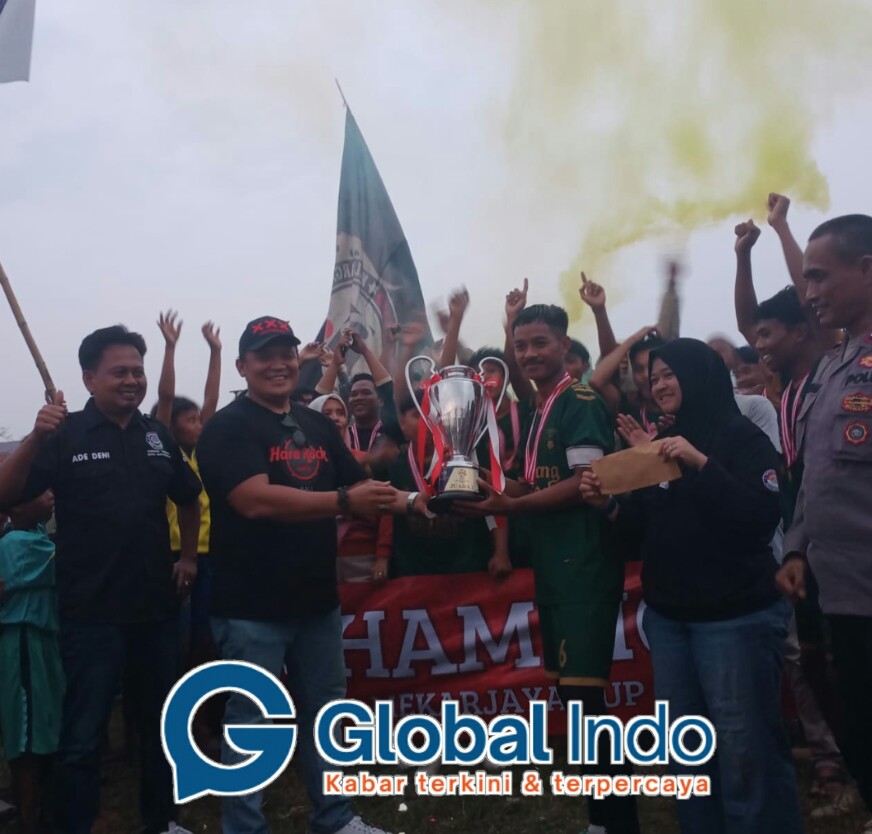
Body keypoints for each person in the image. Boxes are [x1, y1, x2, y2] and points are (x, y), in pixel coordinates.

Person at [196, 315, 427, 834]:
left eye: (285, 353)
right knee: (252, 721)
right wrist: (343, 501)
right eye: (264, 355)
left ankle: (336, 818)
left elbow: (361, 485)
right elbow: (254, 500)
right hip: (251, 606)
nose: (278, 364)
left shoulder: (316, 424)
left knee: (326, 716)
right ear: (243, 366)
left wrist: (422, 502)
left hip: (317, 602)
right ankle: (244, 827)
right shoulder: (227, 428)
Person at [581, 338, 802, 834]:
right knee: (689, 756)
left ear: (700, 374)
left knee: (746, 754)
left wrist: (700, 464)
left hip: (736, 619)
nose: (658, 385)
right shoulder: (662, 442)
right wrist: (608, 506)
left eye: (669, 374)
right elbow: (644, 525)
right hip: (671, 621)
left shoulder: (740, 437)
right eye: (654, 377)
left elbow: (758, 519)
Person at [0, 325, 202, 834]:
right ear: (90, 379)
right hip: (90, 614)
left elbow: (188, 496)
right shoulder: (63, 434)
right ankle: (77, 822)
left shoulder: (157, 435)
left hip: (155, 609)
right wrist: (34, 436)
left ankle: (163, 821)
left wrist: (188, 558)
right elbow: (6, 494)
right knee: (83, 733)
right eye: (119, 372)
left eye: (137, 370)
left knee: (160, 724)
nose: (132, 380)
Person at [468, 299, 640, 834]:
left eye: (540, 343)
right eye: (520, 346)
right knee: (574, 698)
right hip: (556, 565)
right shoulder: (542, 405)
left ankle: (617, 823)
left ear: (565, 345)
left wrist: (513, 506)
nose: (528, 354)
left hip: (583, 563)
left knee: (586, 701)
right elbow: (536, 482)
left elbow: (586, 483)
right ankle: (602, 820)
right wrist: (486, 488)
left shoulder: (579, 400)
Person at [776, 215, 872, 830]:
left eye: (819, 277)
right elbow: (818, 472)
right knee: (859, 727)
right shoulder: (836, 366)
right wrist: (796, 549)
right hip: (843, 595)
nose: (808, 292)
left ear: (866, 270)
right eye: (805, 278)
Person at [0, 491, 63, 834]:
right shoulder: (17, 544)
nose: (47, 496)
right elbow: (67, 558)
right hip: (23, 639)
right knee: (26, 730)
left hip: (40, 638)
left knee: (42, 723)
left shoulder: (32, 532)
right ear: (14, 505)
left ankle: (39, 807)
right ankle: (29, 819)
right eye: (37, 494)